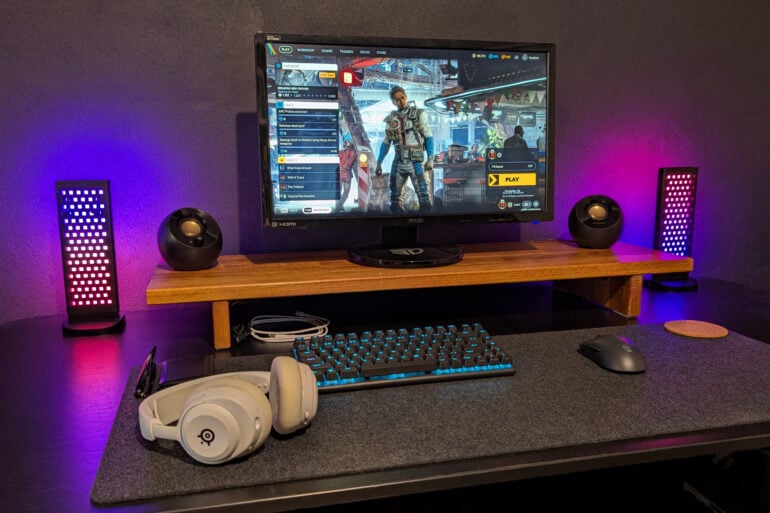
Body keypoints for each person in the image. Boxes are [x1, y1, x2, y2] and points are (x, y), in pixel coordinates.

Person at [374, 86, 434, 213]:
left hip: (415, 160)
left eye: (402, 98)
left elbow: (428, 136)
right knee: (395, 200)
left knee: (424, 197)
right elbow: (386, 142)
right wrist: (379, 162)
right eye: (397, 99)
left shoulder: (418, 114)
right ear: (393, 102)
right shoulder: (391, 118)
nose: (401, 101)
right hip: (399, 160)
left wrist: (430, 158)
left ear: (406, 97)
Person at [337, 137, 356, 211]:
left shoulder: (340, 152)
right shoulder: (354, 153)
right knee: (346, 192)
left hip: (339, 174)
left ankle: (338, 206)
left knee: (338, 192)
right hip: (347, 175)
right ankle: (339, 205)